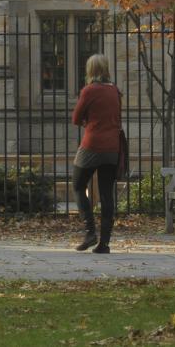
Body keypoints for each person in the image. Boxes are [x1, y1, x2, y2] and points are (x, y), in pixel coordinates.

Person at [70, 54, 122, 254]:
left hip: (92, 145)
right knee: (107, 194)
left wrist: (87, 121)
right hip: (112, 147)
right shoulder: (115, 91)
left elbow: (76, 118)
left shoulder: (89, 90)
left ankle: (90, 231)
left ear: (90, 70)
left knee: (77, 184)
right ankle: (105, 243)